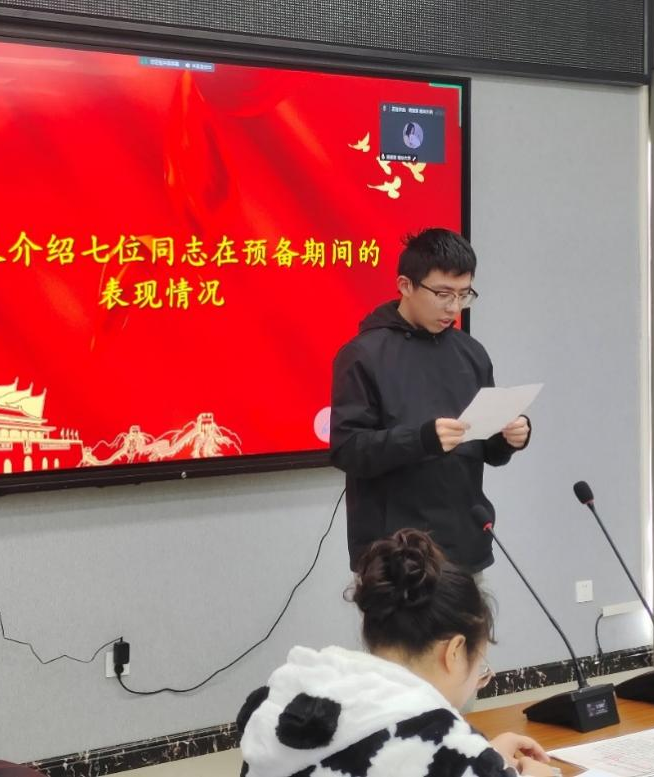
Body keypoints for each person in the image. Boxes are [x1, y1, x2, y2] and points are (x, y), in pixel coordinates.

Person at [237, 529, 558, 777]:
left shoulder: (289, 703)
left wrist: (482, 756)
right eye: (480, 667)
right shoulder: (442, 744)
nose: (477, 678)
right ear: (454, 651)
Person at [330, 228, 530, 573]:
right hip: (395, 553)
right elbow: (348, 450)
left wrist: (508, 438)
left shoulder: (471, 352)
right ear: (405, 285)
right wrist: (422, 439)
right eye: (442, 294)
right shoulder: (363, 355)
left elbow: (487, 450)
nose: (454, 308)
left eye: (464, 295)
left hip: (464, 544)